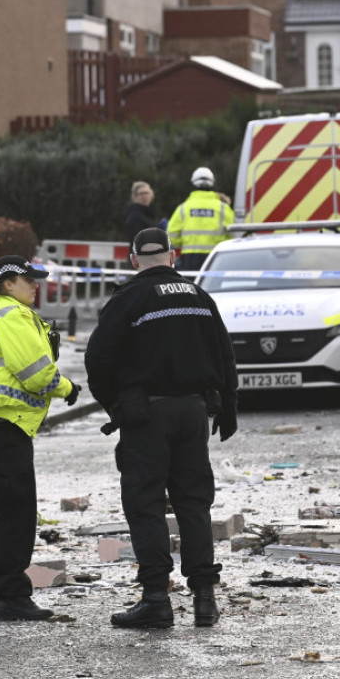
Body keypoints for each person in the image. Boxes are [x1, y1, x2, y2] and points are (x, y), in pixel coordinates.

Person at [84, 227, 238, 630]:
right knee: (193, 502)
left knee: (146, 502)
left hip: (146, 415)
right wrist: (228, 406)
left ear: (133, 260)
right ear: (174, 256)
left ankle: (156, 598)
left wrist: (115, 403)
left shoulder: (128, 299)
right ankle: (205, 598)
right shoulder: (200, 298)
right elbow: (225, 355)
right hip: (193, 411)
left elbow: (97, 358)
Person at [0, 255, 82, 622]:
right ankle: (12, 596)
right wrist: (69, 388)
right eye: (29, 280)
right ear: (8, 283)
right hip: (4, 425)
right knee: (13, 514)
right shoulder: (12, 315)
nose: (36, 285)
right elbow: (37, 374)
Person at [167, 166, 235, 273]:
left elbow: (171, 235)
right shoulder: (223, 208)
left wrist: (185, 243)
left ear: (193, 183)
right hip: (217, 257)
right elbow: (235, 234)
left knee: (192, 288)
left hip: (190, 258)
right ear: (212, 183)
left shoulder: (183, 208)